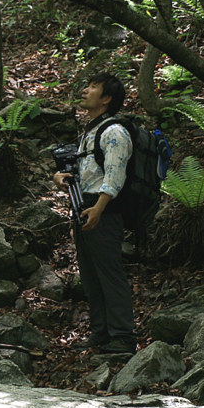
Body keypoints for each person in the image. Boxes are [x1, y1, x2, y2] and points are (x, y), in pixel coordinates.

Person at [53, 72, 137, 354]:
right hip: (85, 209)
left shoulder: (114, 132)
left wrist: (99, 209)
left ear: (106, 99)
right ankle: (101, 333)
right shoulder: (91, 130)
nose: (85, 90)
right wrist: (61, 178)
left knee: (109, 273)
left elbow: (115, 176)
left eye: (92, 88)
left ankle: (123, 337)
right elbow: (88, 171)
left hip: (104, 212)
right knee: (90, 275)